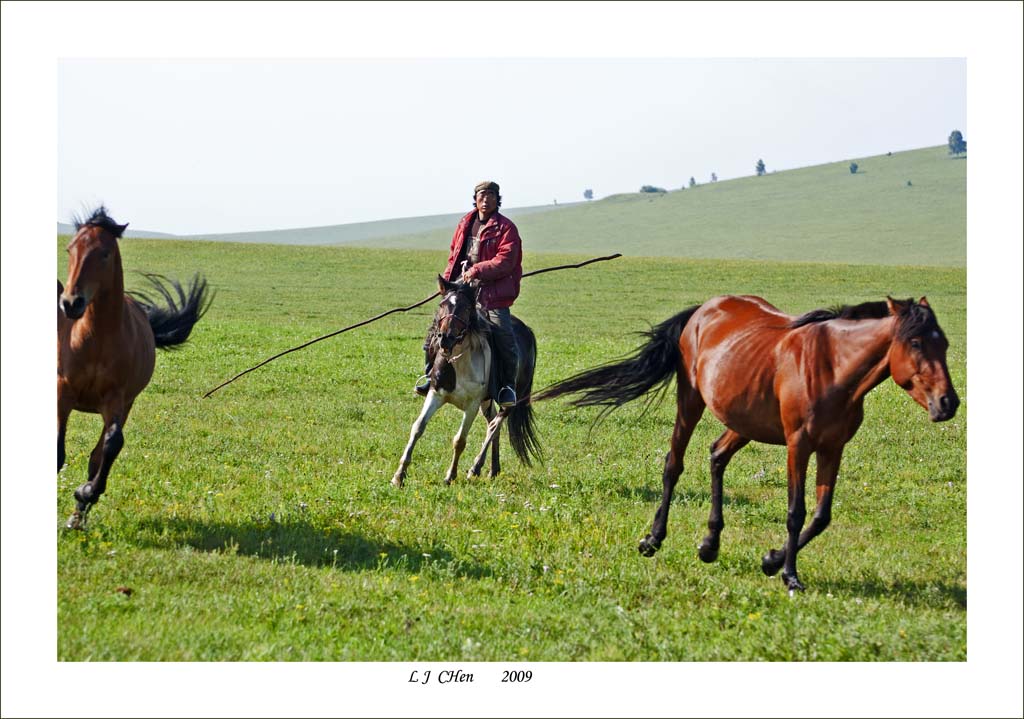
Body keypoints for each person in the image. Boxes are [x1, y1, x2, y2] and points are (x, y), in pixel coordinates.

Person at [415, 180, 523, 408]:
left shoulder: (506, 228)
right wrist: (446, 285)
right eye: (482, 195)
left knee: (505, 338)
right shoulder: (466, 222)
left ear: (497, 200)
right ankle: (429, 377)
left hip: (491, 295)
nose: (486, 199)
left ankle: (507, 387)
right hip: (462, 290)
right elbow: (454, 255)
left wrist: (476, 270)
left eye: (491, 195)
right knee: (436, 331)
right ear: (475, 198)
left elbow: (506, 260)